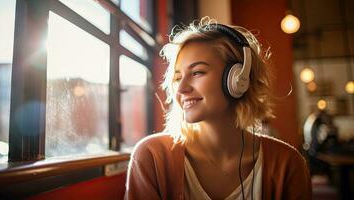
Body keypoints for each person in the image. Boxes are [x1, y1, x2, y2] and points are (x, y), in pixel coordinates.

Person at [125, 17, 312, 200]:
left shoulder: (288, 163)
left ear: (237, 80)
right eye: (177, 77)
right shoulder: (151, 157)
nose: (181, 89)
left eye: (197, 72)